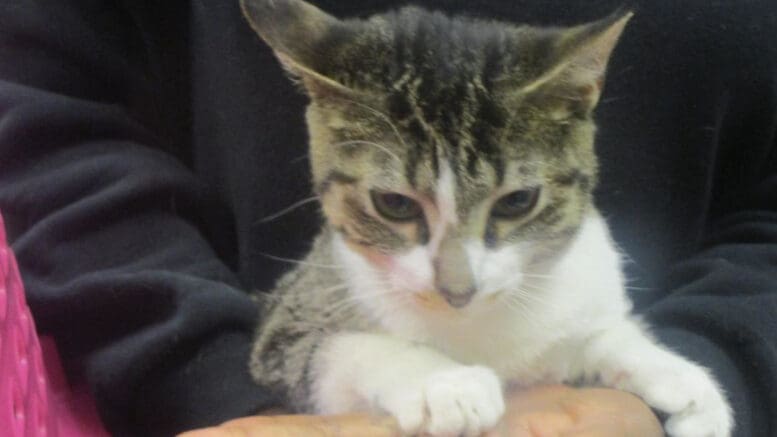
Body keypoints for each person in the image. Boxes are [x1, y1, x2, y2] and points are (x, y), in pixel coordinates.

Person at [0, 1, 774, 436]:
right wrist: (201, 376)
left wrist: (704, 354)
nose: (454, 277)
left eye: (511, 203)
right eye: (398, 205)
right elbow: (44, 99)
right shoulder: (349, 281)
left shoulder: (585, 259)